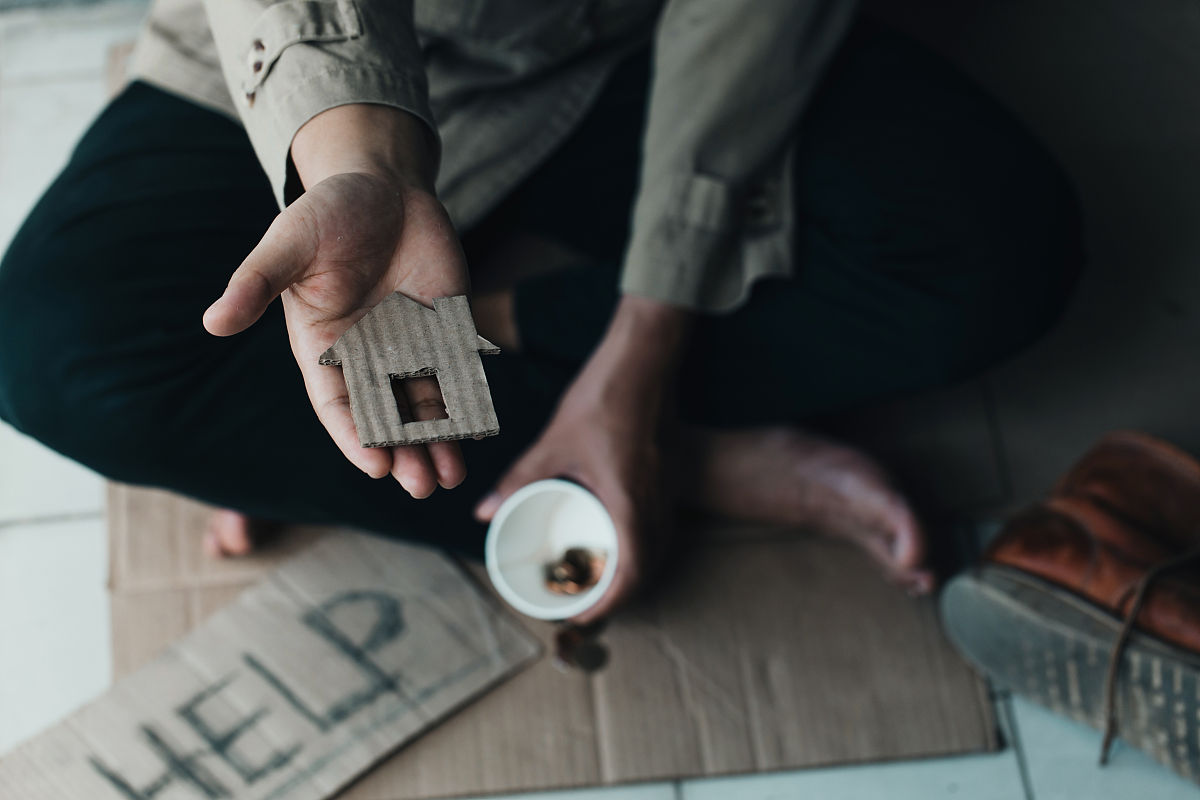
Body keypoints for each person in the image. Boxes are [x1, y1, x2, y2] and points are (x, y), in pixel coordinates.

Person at [0, 0, 1080, 624]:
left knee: (1000, 255)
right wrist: (359, 158)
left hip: (637, 41)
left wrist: (636, 349)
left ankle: (525, 358)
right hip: (322, 50)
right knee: (46, 352)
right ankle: (703, 462)